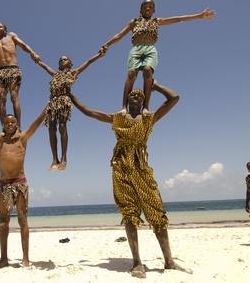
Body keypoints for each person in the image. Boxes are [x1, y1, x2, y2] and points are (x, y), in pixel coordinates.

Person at [70, 81, 192, 278]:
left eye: (140, 95)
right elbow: (87, 112)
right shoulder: (117, 118)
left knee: (156, 211)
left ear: (144, 100)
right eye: (132, 95)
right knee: (129, 213)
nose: (136, 96)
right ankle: (137, 262)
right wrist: (70, 95)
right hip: (121, 166)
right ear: (126, 99)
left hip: (141, 167)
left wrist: (156, 86)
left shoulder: (149, 118)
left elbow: (174, 98)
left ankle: (169, 261)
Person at [100, 0, 216, 115]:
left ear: (154, 10)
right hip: (136, 49)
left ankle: (145, 107)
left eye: (150, 7)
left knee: (147, 71)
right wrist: (107, 44)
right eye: (145, 7)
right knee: (132, 73)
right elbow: (120, 35)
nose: (147, 8)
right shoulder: (134, 22)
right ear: (140, 10)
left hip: (150, 49)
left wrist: (200, 15)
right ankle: (124, 107)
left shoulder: (157, 21)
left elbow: (178, 19)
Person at [0, 101, 47, 268]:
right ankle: (4, 258)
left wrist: (48, 105)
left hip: (19, 183)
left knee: (23, 219)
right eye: (7, 123)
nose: (10, 125)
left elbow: (38, 121)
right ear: (3, 125)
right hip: (3, 184)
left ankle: (25, 258)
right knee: (3, 221)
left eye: (13, 122)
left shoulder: (22, 139)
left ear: (17, 124)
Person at [36, 52, 103, 171]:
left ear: (70, 64)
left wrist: (99, 55)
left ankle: (64, 158)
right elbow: (44, 66)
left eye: (65, 60)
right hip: (53, 102)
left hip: (64, 100)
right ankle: (54, 159)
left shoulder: (73, 73)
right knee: (51, 128)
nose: (62, 61)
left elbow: (88, 62)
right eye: (60, 60)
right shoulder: (55, 74)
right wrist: (37, 60)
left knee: (62, 127)